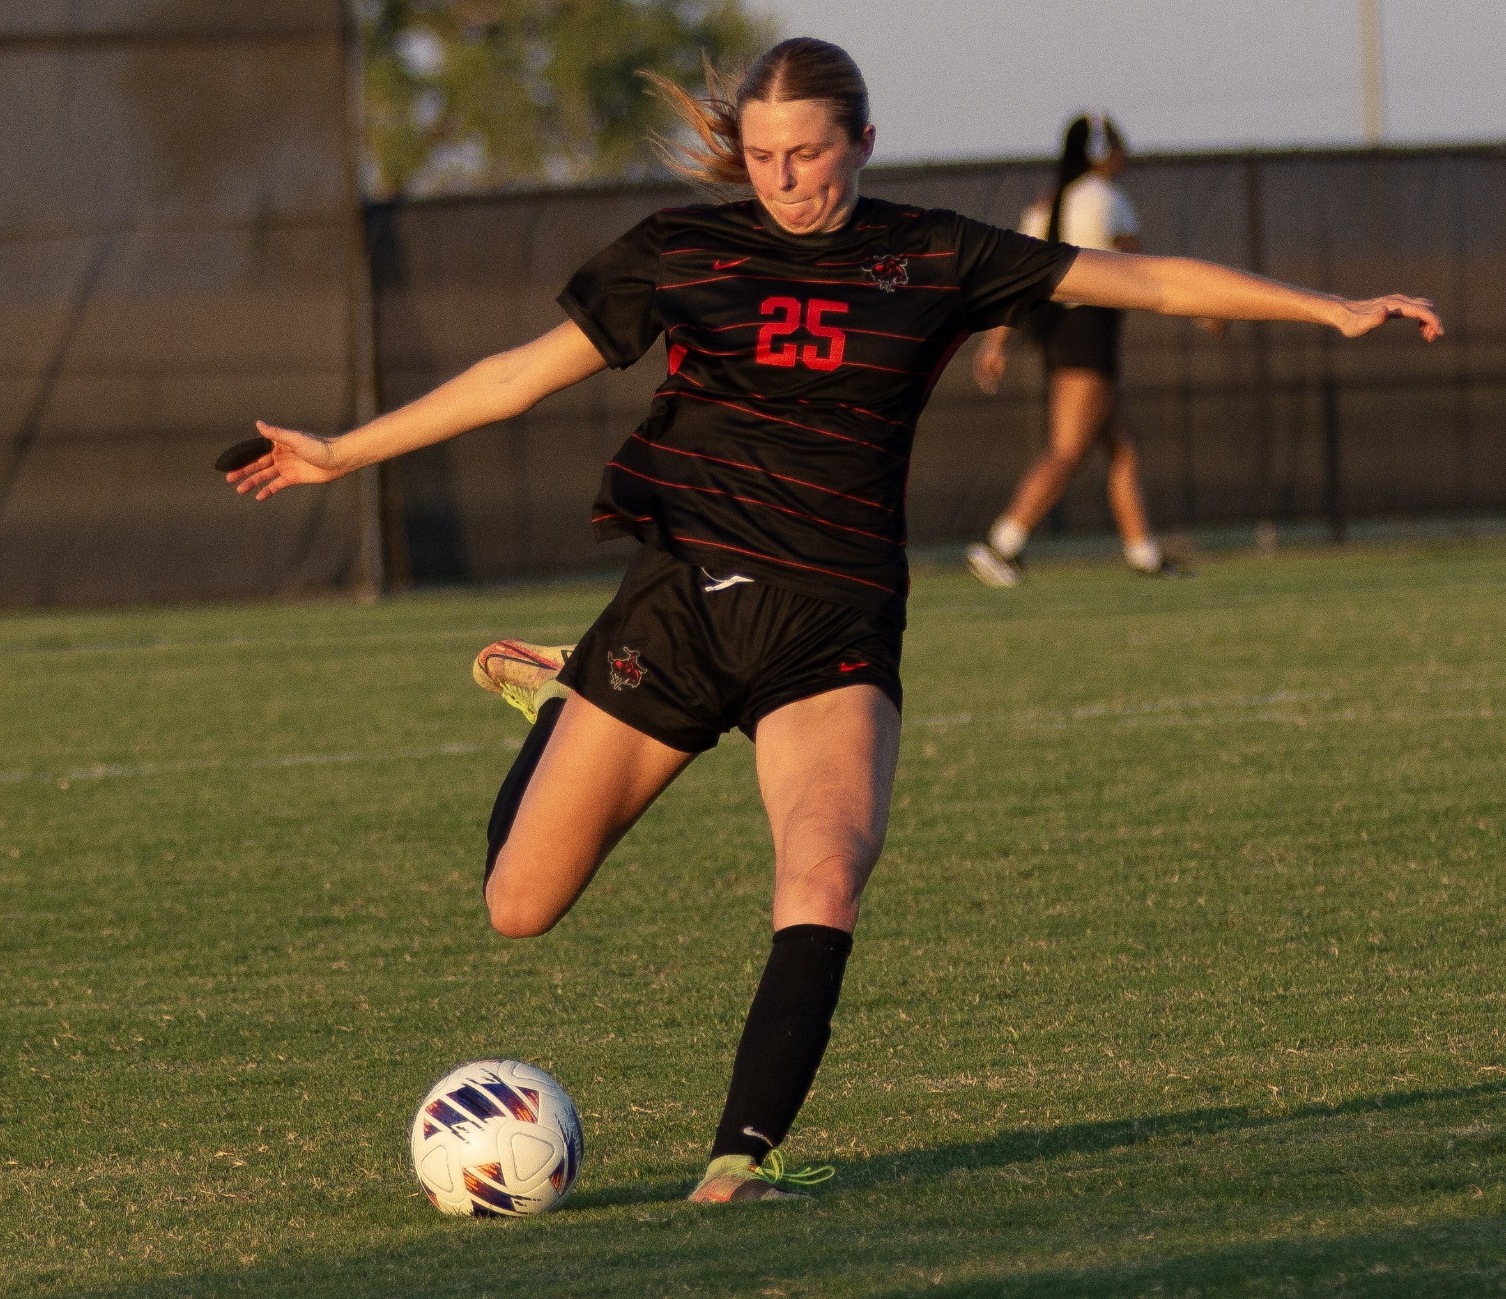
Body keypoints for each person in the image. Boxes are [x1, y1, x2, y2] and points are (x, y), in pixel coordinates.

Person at [225, 39, 1439, 1202]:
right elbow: (512, 375)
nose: (785, 178)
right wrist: (340, 452)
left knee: (824, 869)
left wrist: (1327, 307)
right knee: (516, 907)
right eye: (762, 156)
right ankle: (573, 685)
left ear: (862, 141)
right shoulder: (682, 250)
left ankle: (738, 1157)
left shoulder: (931, 255)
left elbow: (1153, 280)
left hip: (834, 624)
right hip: (683, 610)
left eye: (807, 152)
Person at [965, 113, 1191, 587]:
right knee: (1068, 449)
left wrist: (996, 341)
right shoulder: (1107, 199)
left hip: (1061, 332)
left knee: (1122, 446)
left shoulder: (1043, 207)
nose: (1124, 155)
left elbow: (1019, 285)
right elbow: (1149, 272)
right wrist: (1207, 307)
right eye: (1117, 146)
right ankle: (1000, 545)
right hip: (1090, 330)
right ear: (1101, 154)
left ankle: (1143, 552)